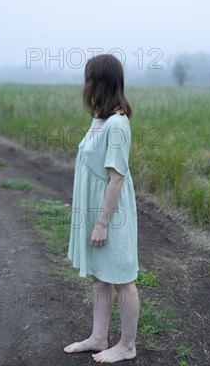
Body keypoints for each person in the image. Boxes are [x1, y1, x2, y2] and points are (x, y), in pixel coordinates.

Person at [63, 54, 139, 363]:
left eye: (89, 79)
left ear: (100, 83)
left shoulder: (118, 125)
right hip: (96, 210)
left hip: (112, 214)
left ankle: (127, 345)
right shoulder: (100, 119)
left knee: (122, 277)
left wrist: (102, 223)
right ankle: (98, 337)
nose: (85, 85)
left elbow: (116, 179)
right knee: (100, 276)